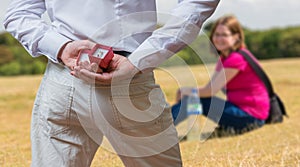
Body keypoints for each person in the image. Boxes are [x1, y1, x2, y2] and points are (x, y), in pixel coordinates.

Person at [4, 0, 220, 166]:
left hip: (62, 80)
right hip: (126, 79)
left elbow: (17, 13)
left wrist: (61, 47)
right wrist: (142, 58)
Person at [172, 15, 269, 136]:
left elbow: (210, 91)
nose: (219, 38)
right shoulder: (225, 58)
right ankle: (179, 127)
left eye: (224, 35)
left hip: (250, 116)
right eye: (216, 34)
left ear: (236, 37)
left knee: (195, 98)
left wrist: (185, 91)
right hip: (241, 111)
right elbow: (209, 88)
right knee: (195, 97)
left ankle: (162, 127)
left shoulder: (236, 59)